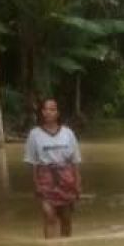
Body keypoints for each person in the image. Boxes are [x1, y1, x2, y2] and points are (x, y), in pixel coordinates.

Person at [24, 98, 82, 238]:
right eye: (46, 109)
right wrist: (37, 184)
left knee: (66, 219)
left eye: (52, 109)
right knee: (49, 216)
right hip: (46, 178)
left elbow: (74, 162)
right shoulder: (34, 135)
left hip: (66, 179)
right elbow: (33, 163)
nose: (48, 112)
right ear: (42, 112)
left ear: (58, 113)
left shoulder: (68, 133)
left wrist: (78, 184)